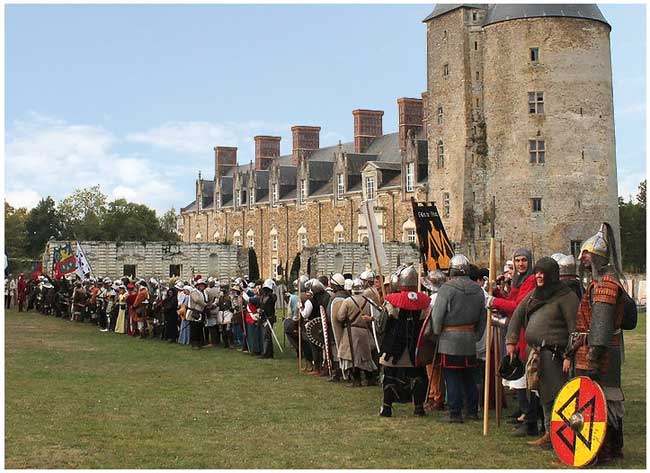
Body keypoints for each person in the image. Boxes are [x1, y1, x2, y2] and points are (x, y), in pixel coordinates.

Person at [505, 257, 579, 449]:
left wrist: (570, 355)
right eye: (536, 271)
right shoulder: (534, 294)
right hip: (536, 353)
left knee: (556, 396)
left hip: (555, 355)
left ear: (552, 275)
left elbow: (575, 329)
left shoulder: (566, 297)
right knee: (542, 395)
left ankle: (559, 435)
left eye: (542, 272)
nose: (538, 275)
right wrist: (511, 341)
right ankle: (549, 432)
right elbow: (518, 315)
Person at [571, 223, 628, 464]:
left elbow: (602, 327)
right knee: (608, 398)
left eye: (586, 253)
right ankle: (613, 447)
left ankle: (604, 448)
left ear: (597, 256)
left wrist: (593, 357)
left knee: (602, 399)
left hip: (600, 351)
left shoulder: (604, 285)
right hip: (601, 348)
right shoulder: (601, 281)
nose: (582, 257)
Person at [486, 248, 540, 437]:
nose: (520, 264)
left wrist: (493, 300)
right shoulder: (519, 280)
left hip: (526, 331)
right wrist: (497, 293)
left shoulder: (531, 280)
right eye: (517, 261)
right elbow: (511, 301)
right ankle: (525, 413)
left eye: (524, 260)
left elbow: (518, 306)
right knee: (517, 374)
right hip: (517, 331)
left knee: (524, 374)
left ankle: (529, 417)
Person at [431, 255, 486, 423]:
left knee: (452, 375)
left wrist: (436, 331)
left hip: (449, 339)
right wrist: (475, 335)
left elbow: (438, 315)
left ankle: (455, 412)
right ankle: (472, 411)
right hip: (469, 338)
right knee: (470, 375)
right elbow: (483, 317)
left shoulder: (447, 289)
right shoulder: (477, 289)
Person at [378, 264, 431, 417]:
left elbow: (383, 325)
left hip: (394, 347)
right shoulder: (424, 302)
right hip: (415, 348)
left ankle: (387, 407)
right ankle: (419, 407)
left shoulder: (392, 301)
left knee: (389, 376)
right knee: (417, 376)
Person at [334, 277, 377, 387]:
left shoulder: (348, 301)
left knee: (353, 356)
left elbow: (340, 317)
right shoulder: (368, 301)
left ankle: (357, 380)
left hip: (351, 331)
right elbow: (375, 316)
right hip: (364, 331)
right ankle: (370, 378)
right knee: (365, 356)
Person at [422, 270, 448, 411]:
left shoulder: (434, 299)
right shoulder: (443, 297)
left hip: (435, 336)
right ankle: (433, 395)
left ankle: (437, 398)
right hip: (438, 335)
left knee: (435, 368)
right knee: (432, 367)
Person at [187, 278, 208, 348]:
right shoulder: (194, 292)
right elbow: (197, 300)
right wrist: (205, 304)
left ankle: (200, 343)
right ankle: (194, 343)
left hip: (201, 312)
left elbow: (206, 300)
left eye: (203, 285)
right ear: (198, 285)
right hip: (194, 312)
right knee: (194, 329)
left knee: (199, 328)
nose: (202, 286)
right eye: (200, 285)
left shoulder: (204, 293)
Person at [259, 279, 277, 358]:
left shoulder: (272, 297)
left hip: (269, 318)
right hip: (264, 317)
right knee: (266, 336)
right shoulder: (264, 297)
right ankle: (269, 353)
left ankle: (266, 353)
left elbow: (270, 305)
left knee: (266, 336)